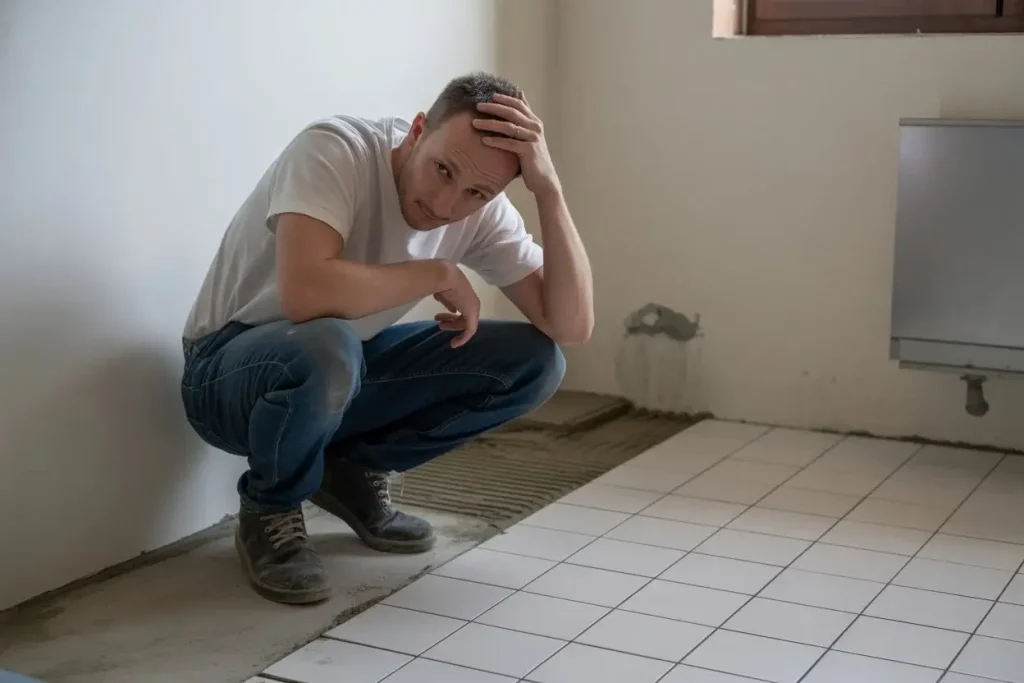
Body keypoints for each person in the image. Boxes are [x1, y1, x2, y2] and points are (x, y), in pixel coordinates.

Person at [179, 72, 593, 605]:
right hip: (226, 374)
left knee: (536, 361)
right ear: (418, 130)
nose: (446, 205)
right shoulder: (337, 149)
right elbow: (306, 293)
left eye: (475, 193)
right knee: (328, 343)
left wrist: (550, 192)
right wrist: (438, 274)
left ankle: (350, 470)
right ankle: (270, 509)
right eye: (442, 170)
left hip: (337, 365)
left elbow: (572, 326)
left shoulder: (482, 210)